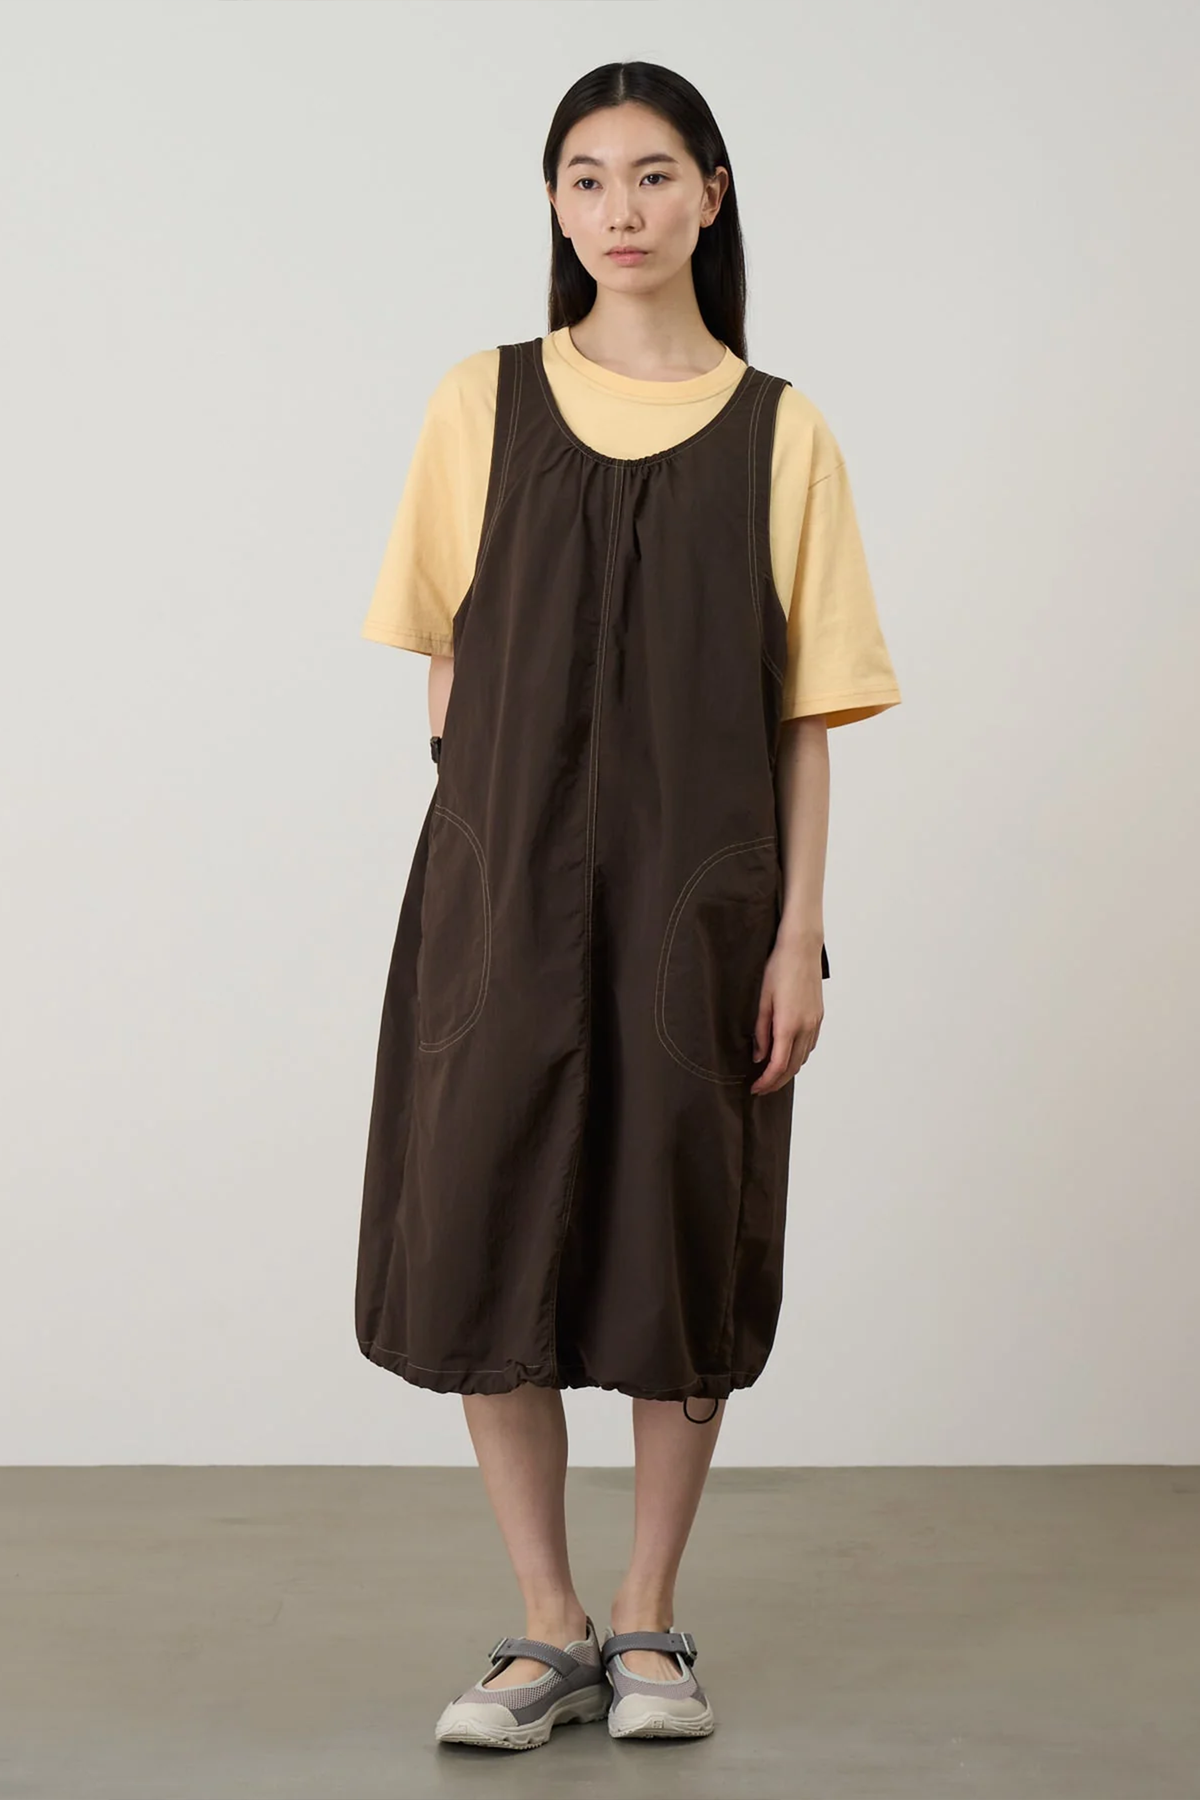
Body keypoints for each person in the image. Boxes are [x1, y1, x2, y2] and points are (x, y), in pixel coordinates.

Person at [355, 60, 902, 1751]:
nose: (621, 209)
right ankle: (548, 1626)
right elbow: (448, 654)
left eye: (655, 175)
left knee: (679, 1239)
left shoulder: (783, 432)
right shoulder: (482, 400)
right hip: (503, 891)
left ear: (712, 196)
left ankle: (652, 1619)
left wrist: (797, 933)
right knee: (486, 1222)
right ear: (554, 204)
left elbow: (806, 715)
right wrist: (491, 840)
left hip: (702, 903)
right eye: (586, 178)